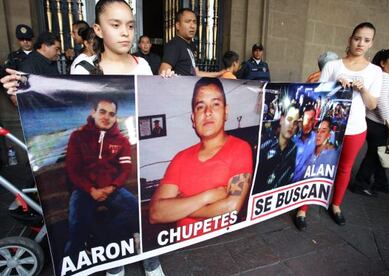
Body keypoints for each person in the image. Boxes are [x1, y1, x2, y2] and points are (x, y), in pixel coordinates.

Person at [2, 1, 165, 275]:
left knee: (141, 213)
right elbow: (51, 103)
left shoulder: (144, 67)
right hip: (86, 185)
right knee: (79, 224)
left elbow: (155, 109)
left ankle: (151, 258)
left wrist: (167, 84)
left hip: (137, 165)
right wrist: (21, 95)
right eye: (115, 25)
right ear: (99, 30)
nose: (125, 33)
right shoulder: (83, 72)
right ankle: (114, 263)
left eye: (130, 26)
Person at [149, 77, 253, 238]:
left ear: (226, 111)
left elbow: (232, 206)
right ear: (193, 118)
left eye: (215, 104)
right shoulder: (180, 159)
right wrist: (208, 196)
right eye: (200, 106)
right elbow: (156, 213)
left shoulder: (240, 148)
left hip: (224, 247)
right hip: (182, 249)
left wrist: (181, 208)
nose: (208, 112)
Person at [305, 22, 382, 227]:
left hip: (356, 128)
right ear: (350, 38)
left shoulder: (375, 71)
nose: (360, 43)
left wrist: (363, 89)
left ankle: (336, 204)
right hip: (327, 126)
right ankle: (302, 206)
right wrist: (334, 83)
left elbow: (373, 104)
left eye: (366, 40)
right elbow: (318, 97)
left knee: (345, 168)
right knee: (313, 163)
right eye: (357, 38)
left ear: (371, 44)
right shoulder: (333, 66)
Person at [64, 98, 138, 262]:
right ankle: (72, 263)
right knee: (76, 224)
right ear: (93, 112)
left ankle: (105, 239)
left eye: (111, 114)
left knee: (136, 209)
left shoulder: (122, 141)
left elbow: (126, 169)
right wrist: (91, 189)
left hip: (112, 189)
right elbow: (72, 169)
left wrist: (112, 187)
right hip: (84, 190)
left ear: (115, 117)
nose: (107, 117)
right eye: (102, 112)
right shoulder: (78, 137)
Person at [351, 47, 389, 196]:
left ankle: (380, 182)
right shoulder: (383, 77)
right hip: (380, 124)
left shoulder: (388, 77)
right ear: (383, 63)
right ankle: (360, 184)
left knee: (381, 153)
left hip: (383, 124)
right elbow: (381, 102)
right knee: (375, 154)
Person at [294, 117, 338, 230]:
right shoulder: (305, 146)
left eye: (323, 131)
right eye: (317, 131)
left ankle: (336, 206)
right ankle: (302, 210)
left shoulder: (331, 154)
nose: (319, 134)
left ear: (329, 134)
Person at [159, 8, 224, 77]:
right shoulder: (175, 45)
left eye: (194, 22)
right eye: (187, 21)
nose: (192, 26)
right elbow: (163, 72)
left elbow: (196, 73)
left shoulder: (191, 46)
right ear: (178, 25)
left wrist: (219, 74)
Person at [253, 103, 300, 194]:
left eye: (295, 123)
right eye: (289, 119)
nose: (291, 126)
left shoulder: (293, 149)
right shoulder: (265, 144)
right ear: (282, 119)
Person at [292, 103, 317, 182]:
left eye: (311, 120)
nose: (308, 124)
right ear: (301, 120)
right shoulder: (293, 140)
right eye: (306, 119)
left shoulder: (317, 140)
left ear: (314, 121)